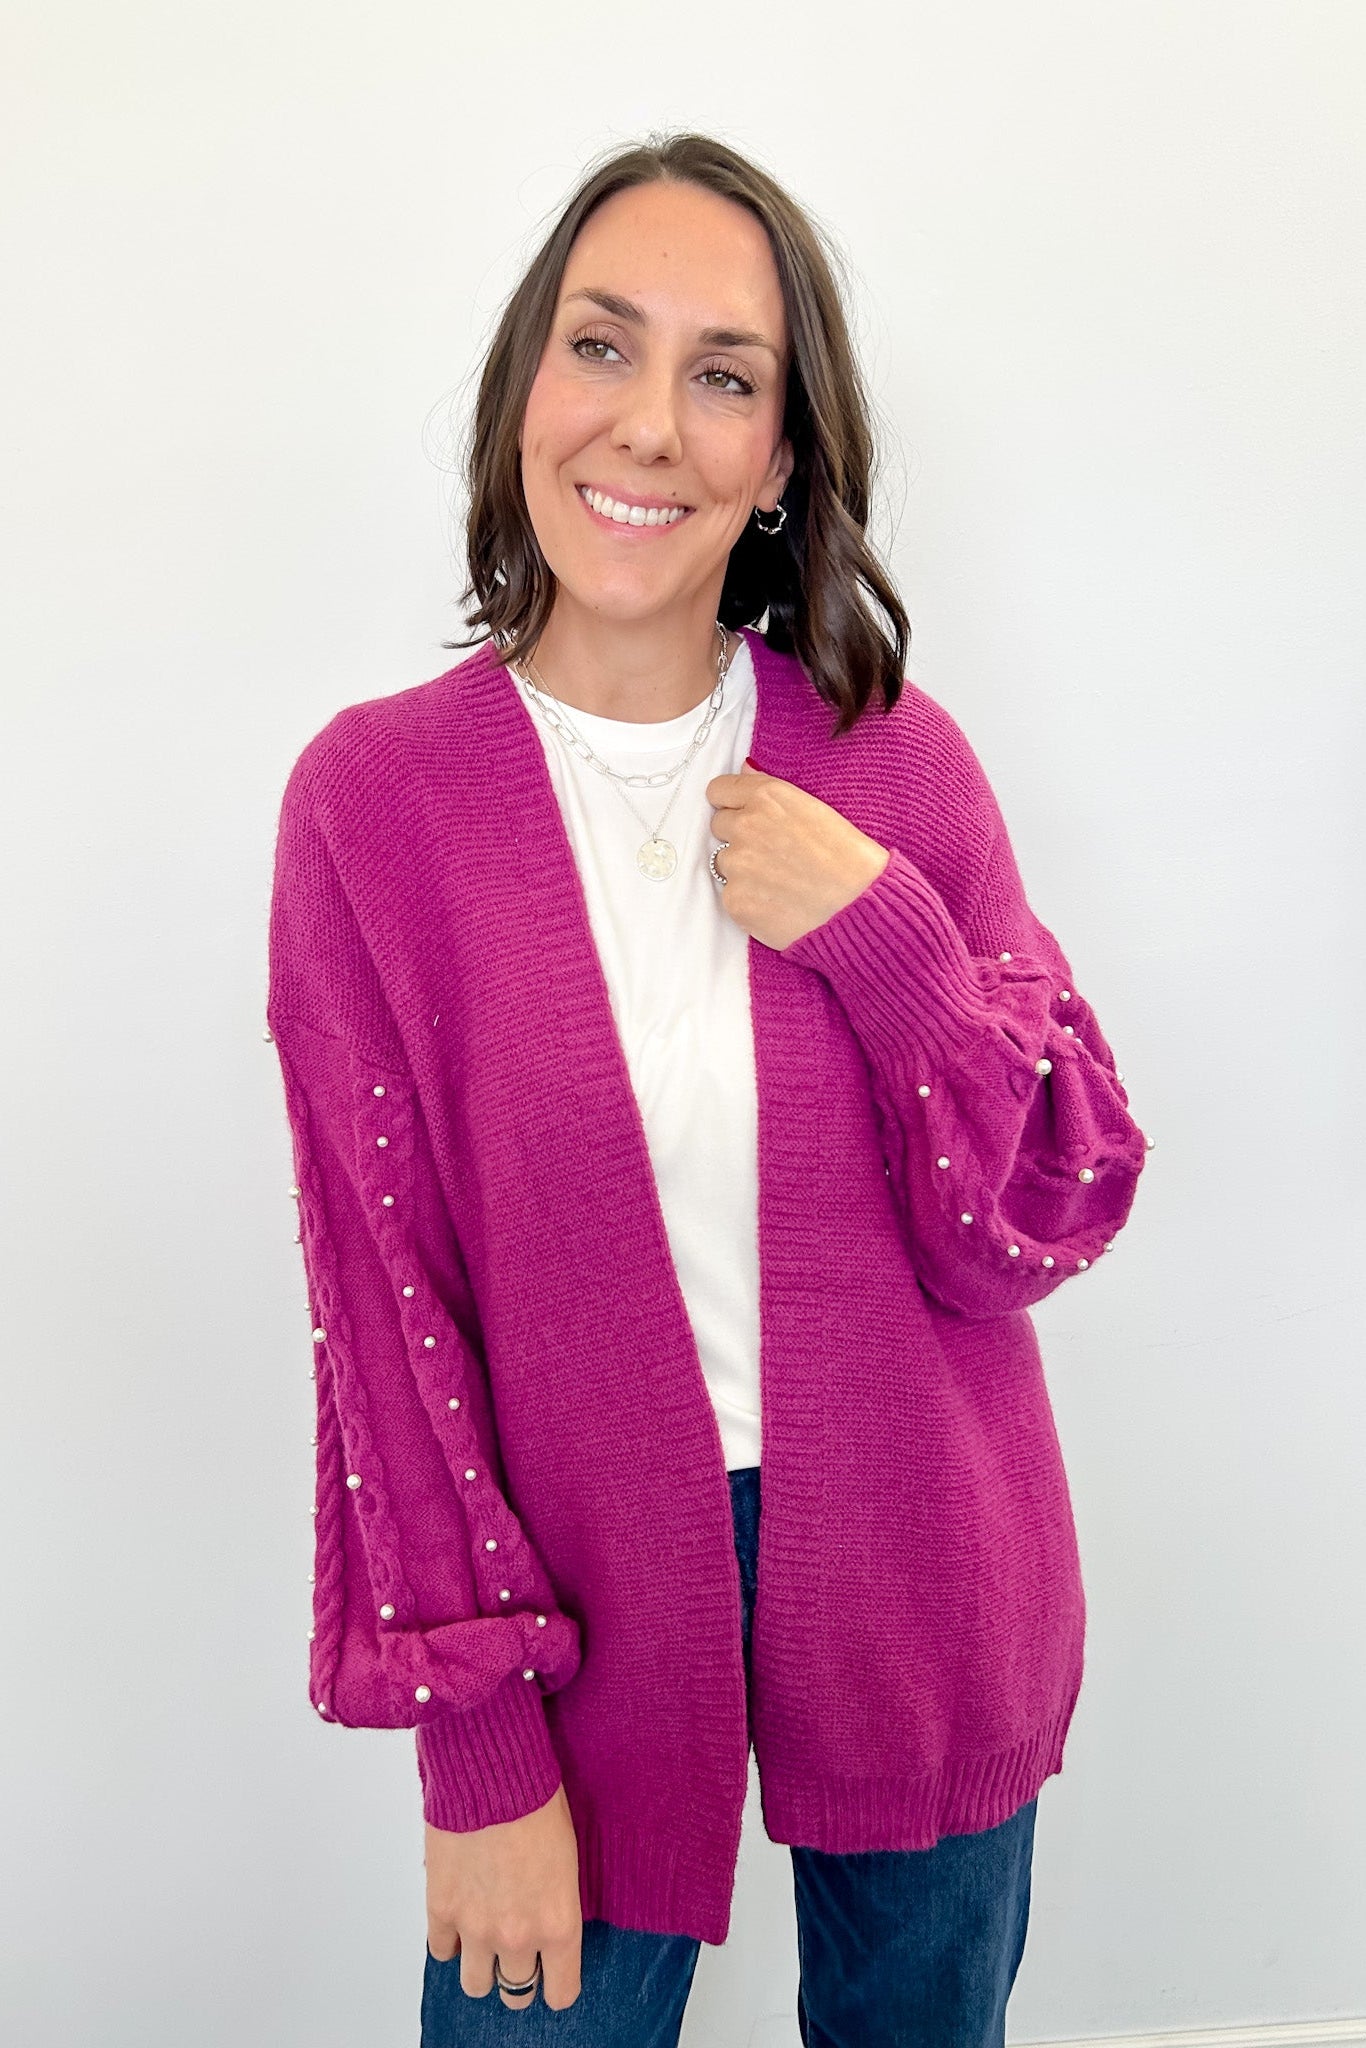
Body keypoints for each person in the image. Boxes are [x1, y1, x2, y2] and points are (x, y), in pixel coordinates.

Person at [265, 131, 1150, 2047]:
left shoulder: (894, 770)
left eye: (723, 375)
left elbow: (1041, 1218)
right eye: (602, 346)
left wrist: (886, 943)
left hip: (923, 1566)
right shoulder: (375, 806)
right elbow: (380, 1304)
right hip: (573, 1600)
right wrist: (477, 1744)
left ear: (781, 457)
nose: (648, 426)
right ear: (524, 389)